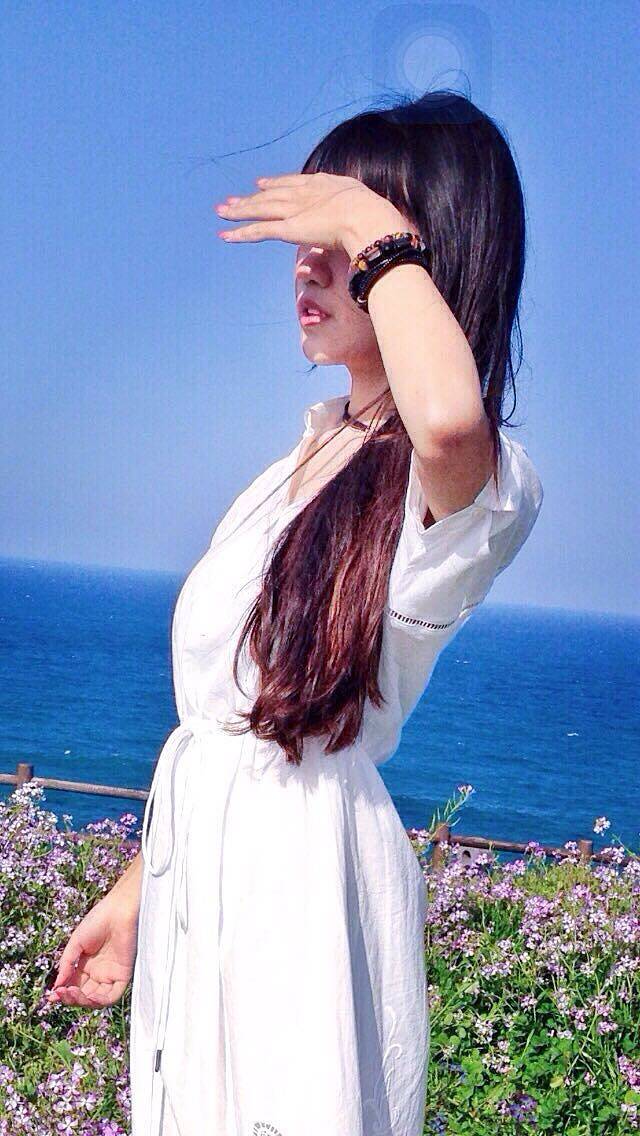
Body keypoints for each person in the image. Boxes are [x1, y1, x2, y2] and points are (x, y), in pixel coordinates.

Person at [47, 90, 544, 1136]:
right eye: (313, 234)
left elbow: (448, 420)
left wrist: (369, 228)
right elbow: (246, 720)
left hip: (299, 904)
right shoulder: (303, 465)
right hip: (213, 890)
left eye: (344, 238)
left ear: (424, 256)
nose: (308, 263)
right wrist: (138, 893)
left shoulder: (470, 481)